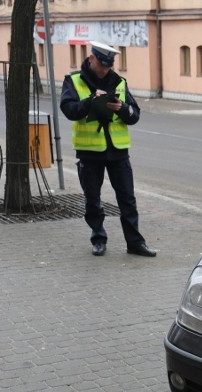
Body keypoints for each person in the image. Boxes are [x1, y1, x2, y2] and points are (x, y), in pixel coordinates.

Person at [60, 40, 156, 257]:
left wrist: (122, 108)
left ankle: (135, 243)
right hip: (89, 151)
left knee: (128, 200)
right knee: (92, 199)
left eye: (108, 66)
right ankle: (98, 238)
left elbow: (135, 115)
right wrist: (91, 102)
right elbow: (69, 110)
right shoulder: (74, 80)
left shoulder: (119, 82)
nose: (104, 69)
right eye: (101, 64)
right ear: (91, 58)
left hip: (118, 151)